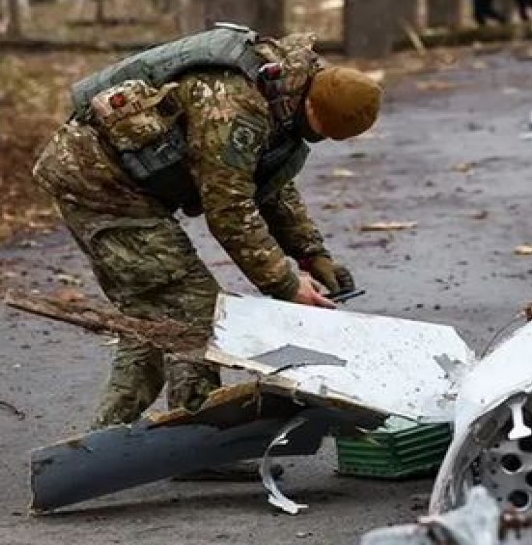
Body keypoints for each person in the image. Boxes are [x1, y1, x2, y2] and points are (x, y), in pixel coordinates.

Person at [33, 25, 381, 476]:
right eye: (322, 131)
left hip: (130, 189)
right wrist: (287, 285)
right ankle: (127, 446)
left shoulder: (283, 89)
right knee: (188, 309)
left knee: (161, 318)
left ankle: (162, 441)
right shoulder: (235, 105)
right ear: (312, 104)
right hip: (99, 185)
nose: (318, 140)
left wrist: (312, 254)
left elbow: (270, 182)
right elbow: (230, 210)